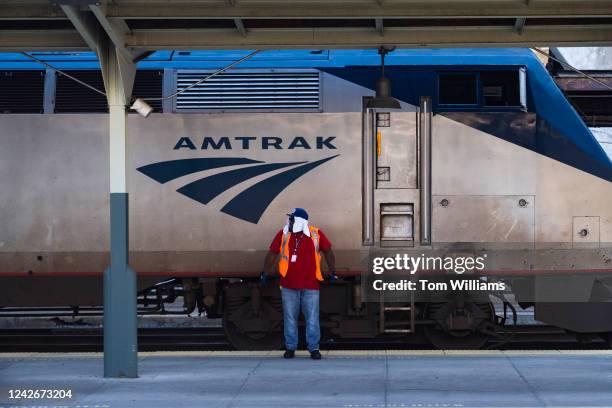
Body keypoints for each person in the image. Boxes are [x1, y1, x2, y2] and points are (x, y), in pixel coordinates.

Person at [260, 208, 337, 360]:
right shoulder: (283, 234)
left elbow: (328, 251)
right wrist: (265, 271)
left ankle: (314, 348)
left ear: (301, 221)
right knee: (290, 318)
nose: (289, 221)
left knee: (312, 319)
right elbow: (272, 253)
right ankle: (290, 348)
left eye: (292, 219)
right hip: (288, 285)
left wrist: (332, 271)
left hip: (311, 285)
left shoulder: (316, 234)